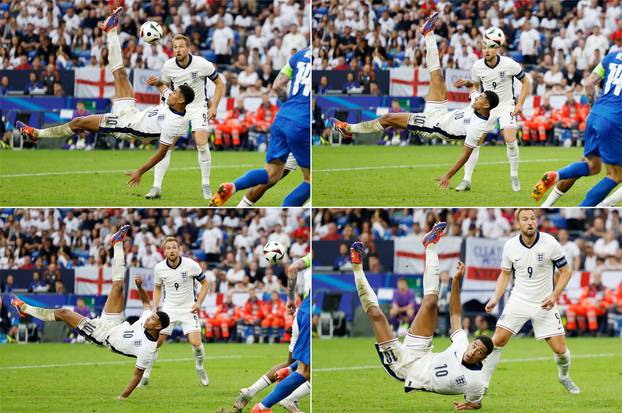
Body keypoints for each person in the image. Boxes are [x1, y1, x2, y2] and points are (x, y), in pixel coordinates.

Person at [15, 7, 194, 189]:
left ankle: (36, 134)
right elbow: (164, 89)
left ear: (180, 100)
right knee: (121, 75)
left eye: (175, 93)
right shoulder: (171, 101)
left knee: (79, 122)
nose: (171, 93)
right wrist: (158, 82)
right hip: (131, 113)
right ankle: (111, 30)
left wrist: (139, 171)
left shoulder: (174, 123)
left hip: (125, 126)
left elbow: (162, 153)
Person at [331, 13, 499, 190]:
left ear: (486, 105)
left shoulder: (477, 127)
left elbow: (466, 154)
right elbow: (473, 89)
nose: (477, 97)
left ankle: (348, 129)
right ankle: (428, 33)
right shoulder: (477, 104)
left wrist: (448, 175)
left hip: (432, 126)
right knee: (437, 75)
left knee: (389, 118)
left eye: (481, 97)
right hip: (441, 113)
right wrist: (468, 83)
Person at [11, 225, 170, 399]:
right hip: (116, 324)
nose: (149, 318)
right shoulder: (149, 318)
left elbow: (136, 376)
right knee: (118, 287)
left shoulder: (148, 348)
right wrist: (139, 286)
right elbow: (147, 303)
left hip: (103, 336)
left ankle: (25, 308)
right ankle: (117, 243)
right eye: (152, 316)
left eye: (153, 319)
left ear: (158, 327)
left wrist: (122, 397)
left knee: (64, 313)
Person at [350, 223, 493, 410]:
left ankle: (357, 267)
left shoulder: (476, 382)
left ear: (482, 359)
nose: (473, 351)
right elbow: (456, 314)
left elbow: (476, 402)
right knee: (431, 303)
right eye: (475, 346)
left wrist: (470, 405)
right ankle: (430, 244)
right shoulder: (462, 345)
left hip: (403, 368)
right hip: (422, 352)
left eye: (479, 352)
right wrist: (455, 280)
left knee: (377, 315)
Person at [482, 208, 580, 394]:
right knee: (497, 341)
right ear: (517, 224)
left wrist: (554, 295)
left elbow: (566, 272)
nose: (530, 222)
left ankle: (564, 376)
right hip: (518, 300)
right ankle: (483, 384)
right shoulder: (510, 246)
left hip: (544, 303)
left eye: (533, 218)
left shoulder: (550, 242)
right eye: (525, 219)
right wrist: (496, 298)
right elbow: (505, 274)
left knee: (560, 351)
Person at [210, 47, 311, 207]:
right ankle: (287, 209)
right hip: (302, 123)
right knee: (310, 180)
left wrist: (290, 105)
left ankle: (233, 186)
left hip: (283, 117)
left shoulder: (299, 55)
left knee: (271, 175)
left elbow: (277, 86)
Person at [533, 50, 622, 206]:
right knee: (615, 175)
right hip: (615, 120)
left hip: (595, 115)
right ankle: (594, 206)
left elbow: (588, 83)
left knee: (592, 166)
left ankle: (556, 176)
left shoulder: (612, 55)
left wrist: (593, 106)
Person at [144, 34, 226, 200]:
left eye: (181, 46)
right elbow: (164, 86)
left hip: (198, 107)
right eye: (175, 47)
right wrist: (165, 107)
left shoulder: (201, 64)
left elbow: (220, 83)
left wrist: (214, 105)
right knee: (167, 146)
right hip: (177, 108)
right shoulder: (168, 66)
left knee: (202, 143)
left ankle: (205, 185)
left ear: (188, 48)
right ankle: (156, 186)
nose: (178, 50)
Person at [242, 253, 311, 413]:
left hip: (302, 313)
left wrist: (291, 299)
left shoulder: (310, 257)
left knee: (302, 366)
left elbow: (293, 268)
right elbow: (292, 268)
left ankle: (284, 376)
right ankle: (264, 407)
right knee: (306, 371)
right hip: (308, 313)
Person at [140, 236, 210, 387]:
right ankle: (146, 374)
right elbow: (157, 288)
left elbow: (205, 283)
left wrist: (199, 302)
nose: (171, 250)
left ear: (179, 250)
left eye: (174, 247)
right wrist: (154, 307)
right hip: (168, 309)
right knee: (156, 343)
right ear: (164, 251)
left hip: (188, 309)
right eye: (168, 248)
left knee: (196, 343)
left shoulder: (191, 265)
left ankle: (199, 367)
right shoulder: (159, 268)